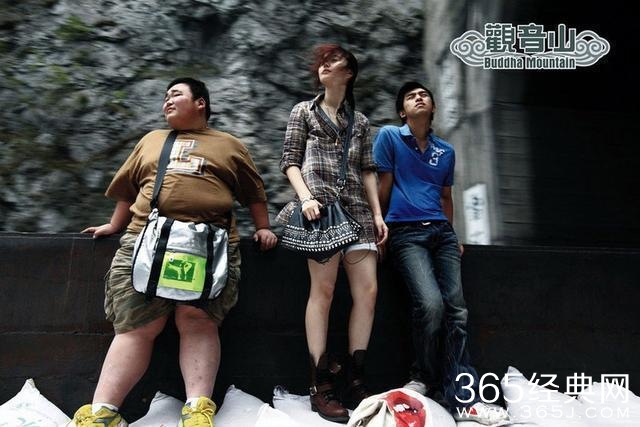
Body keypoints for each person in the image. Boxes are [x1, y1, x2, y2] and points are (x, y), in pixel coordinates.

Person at [69, 77, 278, 427]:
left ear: (201, 103)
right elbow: (128, 189)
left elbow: (253, 192)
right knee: (137, 324)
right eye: (165, 96)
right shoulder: (151, 140)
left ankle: (197, 410)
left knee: (197, 320)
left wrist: (263, 227)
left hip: (208, 246)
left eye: (176, 94)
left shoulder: (229, 145)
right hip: (145, 241)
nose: (167, 100)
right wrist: (114, 225)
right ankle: (103, 413)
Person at [373, 81, 509, 425]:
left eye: (424, 95)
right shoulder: (389, 137)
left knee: (457, 312)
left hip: (442, 234)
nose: (419, 97)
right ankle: (423, 377)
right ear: (402, 111)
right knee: (430, 305)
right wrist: (378, 227)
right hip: (405, 232)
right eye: (410, 96)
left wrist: (451, 232)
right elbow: (383, 186)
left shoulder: (445, 150)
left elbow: (446, 197)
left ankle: (464, 398)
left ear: (433, 107)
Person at [276, 44, 388, 423]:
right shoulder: (303, 111)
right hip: (321, 211)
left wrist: (378, 214)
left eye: (332, 62)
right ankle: (319, 384)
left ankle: (355, 379)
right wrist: (306, 197)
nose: (324, 66)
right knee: (322, 292)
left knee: (368, 292)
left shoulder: (361, 122)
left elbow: (368, 169)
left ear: (349, 73)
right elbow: (290, 161)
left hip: (357, 211)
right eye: (321, 63)